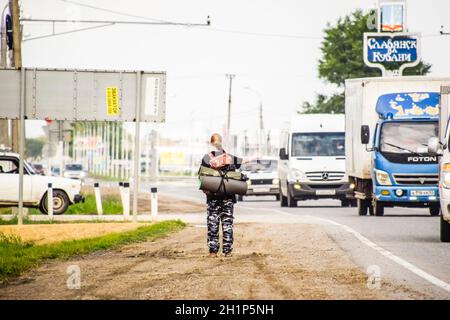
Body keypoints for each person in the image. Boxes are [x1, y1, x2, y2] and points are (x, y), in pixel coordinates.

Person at [200, 133, 245, 258]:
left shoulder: (206, 158)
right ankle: (227, 251)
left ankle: (213, 252)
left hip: (212, 197)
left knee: (213, 223)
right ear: (221, 142)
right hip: (228, 197)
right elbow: (242, 163)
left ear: (211, 143)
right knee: (227, 223)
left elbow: (202, 177)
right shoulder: (230, 157)